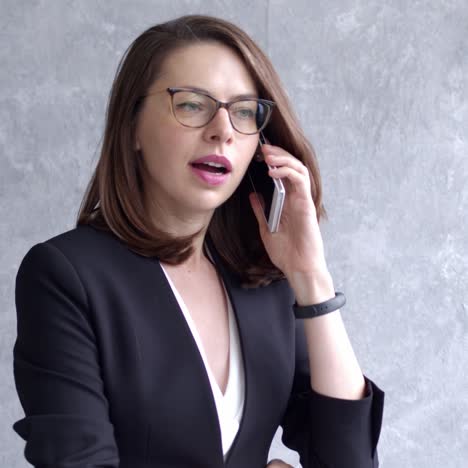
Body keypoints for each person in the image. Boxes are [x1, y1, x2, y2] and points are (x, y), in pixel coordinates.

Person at [12, 14, 384, 468]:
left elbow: (348, 460)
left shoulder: (265, 281)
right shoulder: (65, 275)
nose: (223, 129)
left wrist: (311, 278)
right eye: (191, 104)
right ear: (132, 127)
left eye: (245, 111)